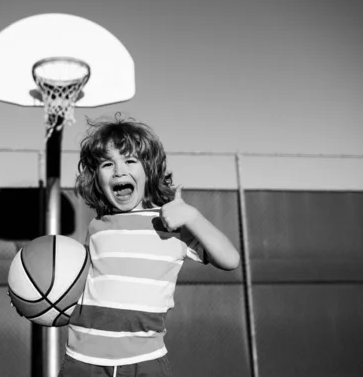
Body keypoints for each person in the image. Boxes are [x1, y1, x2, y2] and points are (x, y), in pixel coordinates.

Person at [59, 113, 240, 377]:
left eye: (130, 161)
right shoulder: (97, 226)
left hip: (145, 359)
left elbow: (230, 259)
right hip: (82, 359)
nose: (119, 170)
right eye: (107, 164)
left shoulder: (171, 222)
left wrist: (192, 216)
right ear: (96, 177)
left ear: (149, 170)